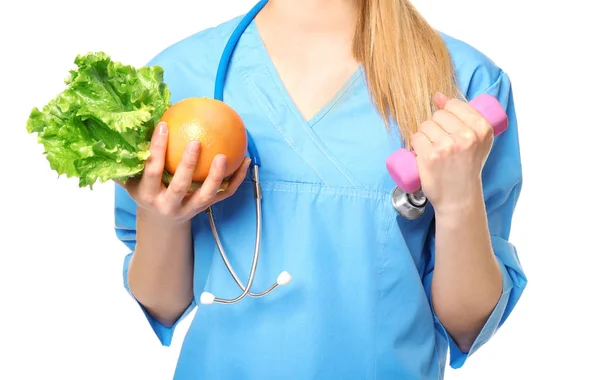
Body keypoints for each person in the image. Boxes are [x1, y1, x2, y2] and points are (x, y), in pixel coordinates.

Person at [113, 0, 526, 378]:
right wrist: (163, 218)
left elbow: (468, 325)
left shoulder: (464, 87)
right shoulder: (175, 80)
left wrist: (456, 204)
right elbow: (162, 304)